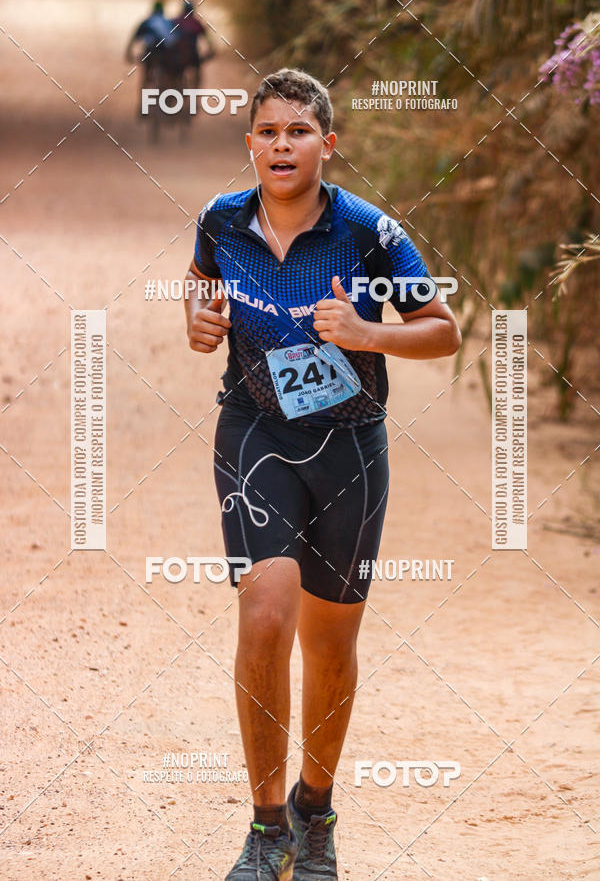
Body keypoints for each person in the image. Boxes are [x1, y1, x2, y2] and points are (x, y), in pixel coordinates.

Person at [183, 68, 461, 880]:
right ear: (250, 145)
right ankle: (268, 827)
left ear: (326, 146)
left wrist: (366, 333)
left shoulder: (370, 232)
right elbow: (202, 284)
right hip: (255, 434)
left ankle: (316, 809)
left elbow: (441, 331)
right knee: (265, 614)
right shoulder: (221, 222)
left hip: (349, 450)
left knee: (331, 643)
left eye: (298, 132)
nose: (282, 144)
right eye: (268, 131)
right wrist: (198, 320)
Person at [125, 0, 178, 68]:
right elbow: (174, 38)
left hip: (150, 49)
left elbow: (135, 37)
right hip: (165, 50)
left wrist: (128, 53)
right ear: (162, 10)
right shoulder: (167, 21)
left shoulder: (147, 21)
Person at [176, 0, 215, 86]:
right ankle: (195, 92)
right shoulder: (197, 23)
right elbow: (207, 40)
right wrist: (210, 51)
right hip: (192, 55)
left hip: (177, 55)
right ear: (192, 10)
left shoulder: (176, 21)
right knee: (197, 75)